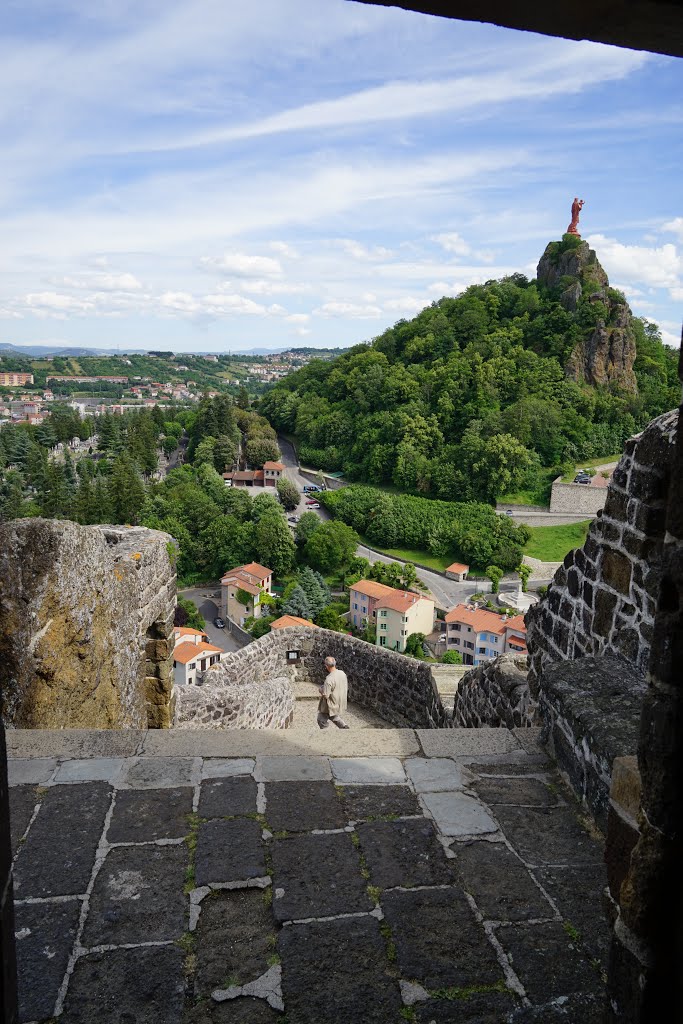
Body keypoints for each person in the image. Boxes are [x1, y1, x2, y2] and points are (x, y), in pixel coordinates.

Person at [317, 656, 350, 729]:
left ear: (326, 666)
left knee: (321, 719)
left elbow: (326, 695)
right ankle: (344, 727)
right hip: (338, 701)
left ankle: (326, 734)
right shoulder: (342, 673)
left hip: (330, 704)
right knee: (334, 716)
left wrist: (321, 689)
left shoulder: (329, 679)